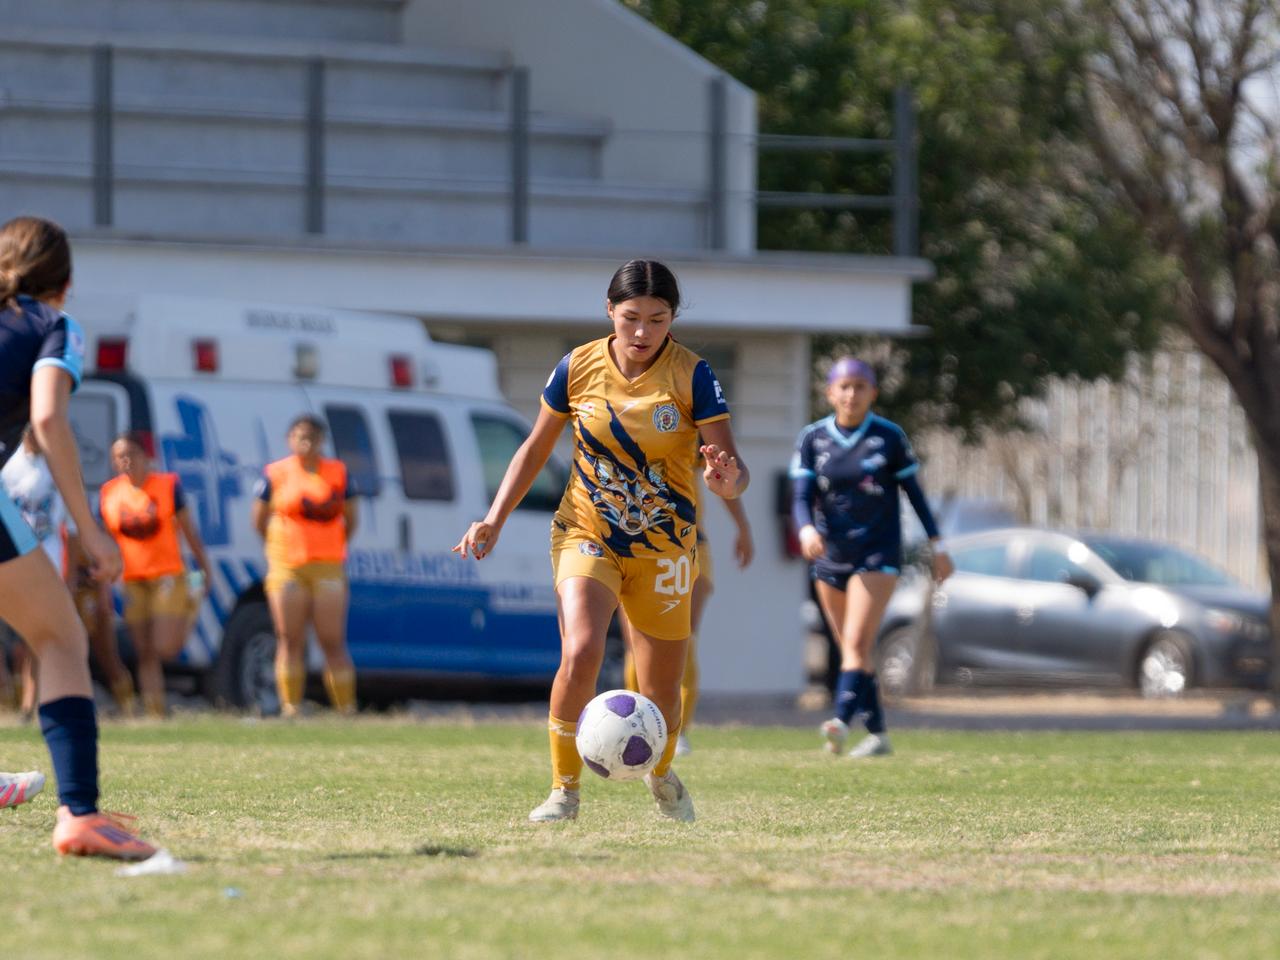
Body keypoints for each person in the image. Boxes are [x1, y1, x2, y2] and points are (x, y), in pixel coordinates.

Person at [454, 258, 748, 824]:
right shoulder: (577, 365)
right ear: (609, 311)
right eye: (631, 317)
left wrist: (727, 479)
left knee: (662, 683)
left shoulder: (693, 374)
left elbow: (732, 468)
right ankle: (564, 790)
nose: (642, 333)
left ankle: (660, 775)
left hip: (664, 547)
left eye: (658, 320)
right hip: (586, 531)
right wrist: (493, 517)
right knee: (582, 649)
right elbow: (536, 448)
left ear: (672, 319)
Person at [0, 214, 153, 858]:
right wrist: (89, 528)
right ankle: (81, 816)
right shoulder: (52, 324)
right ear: (63, 283)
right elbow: (47, 417)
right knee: (60, 636)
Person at [790, 357, 953, 758]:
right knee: (849, 646)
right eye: (843, 386)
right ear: (830, 393)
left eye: (860, 386)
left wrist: (938, 544)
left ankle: (840, 721)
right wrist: (806, 528)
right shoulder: (813, 438)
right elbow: (799, 497)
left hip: (877, 553)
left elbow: (914, 494)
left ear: (872, 393)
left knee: (857, 642)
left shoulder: (888, 436)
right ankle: (878, 733)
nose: (851, 394)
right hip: (830, 555)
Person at [621, 448, 754, 756]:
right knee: (635, 641)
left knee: (683, 638)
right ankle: (633, 724)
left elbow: (723, 475)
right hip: (632, 543)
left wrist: (743, 526)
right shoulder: (616, 418)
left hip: (689, 543)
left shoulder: (687, 415)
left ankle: (676, 730)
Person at [3, 426, 138, 718]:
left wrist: (71, 572)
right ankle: (17, 701)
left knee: (50, 635)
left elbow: (73, 527)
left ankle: (34, 703)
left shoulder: (57, 463)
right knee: (29, 640)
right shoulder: (10, 463)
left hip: (48, 557)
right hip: (12, 557)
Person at [99, 432, 212, 718]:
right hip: (134, 579)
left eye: (131, 455)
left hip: (167, 575)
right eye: (119, 457)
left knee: (165, 647)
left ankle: (190, 605)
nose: (126, 462)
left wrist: (204, 569)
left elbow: (189, 532)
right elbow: (106, 537)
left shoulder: (166, 486)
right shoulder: (110, 493)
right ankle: (155, 710)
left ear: (145, 457)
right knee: (145, 650)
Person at [251, 415, 358, 718]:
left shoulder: (337, 473)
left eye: (313, 438)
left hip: (327, 566)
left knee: (331, 639)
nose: (307, 444)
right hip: (288, 566)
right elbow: (259, 519)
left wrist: (332, 544)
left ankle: (345, 707)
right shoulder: (276, 474)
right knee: (289, 637)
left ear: (323, 441)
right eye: (300, 437)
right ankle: (290, 707)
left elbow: (352, 518)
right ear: (290, 439)